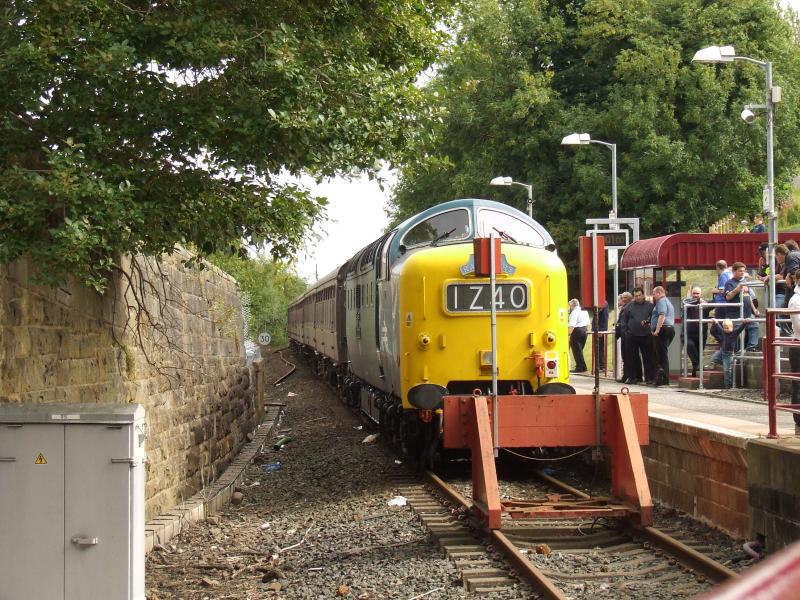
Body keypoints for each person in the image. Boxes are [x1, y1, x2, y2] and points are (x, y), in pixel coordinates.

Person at [622, 287, 655, 384]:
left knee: (648, 357)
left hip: (647, 335)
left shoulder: (650, 306)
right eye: (635, 296)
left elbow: (653, 318)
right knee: (632, 357)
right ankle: (634, 377)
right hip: (632, 336)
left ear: (643, 295)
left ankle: (649, 378)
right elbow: (624, 320)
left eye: (639, 295)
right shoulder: (629, 306)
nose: (637, 297)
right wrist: (626, 332)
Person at [711, 318, 749, 389]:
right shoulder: (723, 332)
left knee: (727, 371)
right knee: (714, 359)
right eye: (725, 328)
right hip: (722, 351)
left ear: (732, 327)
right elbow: (719, 327)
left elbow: (740, 329)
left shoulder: (734, 333)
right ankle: (728, 362)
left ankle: (728, 386)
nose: (726, 329)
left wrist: (744, 323)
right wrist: (716, 322)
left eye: (728, 328)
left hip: (728, 354)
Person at [650, 286, 675, 386]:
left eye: (654, 293)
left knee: (661, 355)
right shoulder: (667, 301)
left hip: (663, 329)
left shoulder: (661, 301)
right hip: (669, 328)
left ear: (659, 292)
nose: (653, 295)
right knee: (662, 353)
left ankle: (663, 379)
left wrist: (657, 329)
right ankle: (663, 378)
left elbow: (662, 315)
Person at [683, 287, 710, 377]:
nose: (695, 295)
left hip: (701, 332)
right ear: (691, 293)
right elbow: (685, 302)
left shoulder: (705, 303)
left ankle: (695, 371)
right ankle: (697, 365)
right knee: (689, 345)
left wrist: (705, 303)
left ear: (700, 294)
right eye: (694, 293)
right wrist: (699, 302)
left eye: (697, 294)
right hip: (689, 332)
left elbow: (713, 304)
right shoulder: (688, 301)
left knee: (699, 353)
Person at [787, 269, 800, 434]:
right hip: (798, 344)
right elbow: (799, 326)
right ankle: (799, 419)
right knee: (798, 383)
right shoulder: (795, 300)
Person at [568, 298, 590, 373]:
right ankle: (583, 367)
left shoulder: (574, 312)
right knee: (580, 350)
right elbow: (588, 323)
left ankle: (579, 367)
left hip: (577, 331)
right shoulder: (584, 311)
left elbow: (572, 325)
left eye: (569, 305)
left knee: (576, 350)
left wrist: (568, 334)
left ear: (572, 305)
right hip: (584, 330)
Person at [615, 292, 633, 383]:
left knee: (628, 356)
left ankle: (629, 376)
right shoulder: (624, 308)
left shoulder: (629, 307)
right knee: (625, 356)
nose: (621, 299)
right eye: (621, 298)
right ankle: (626, 376)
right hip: (624, 334)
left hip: (627, 335)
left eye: (623, 298)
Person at [595, 299, 609, 371]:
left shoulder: (603, 303)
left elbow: (604, 318)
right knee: (598, 348)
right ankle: (600, 365)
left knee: (600, 348)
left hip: (600, 329)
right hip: (599, 329)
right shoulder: (602, 303)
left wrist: (602, 330)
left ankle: (602, 366)